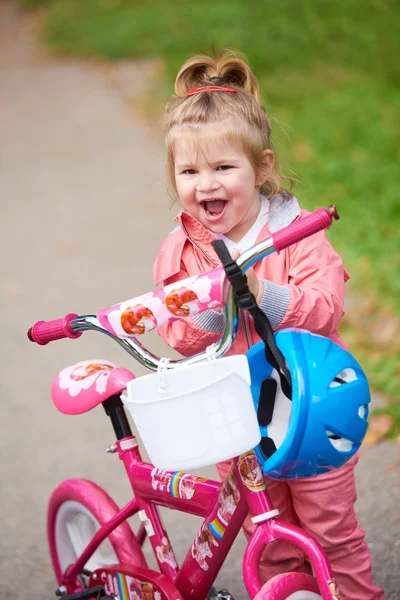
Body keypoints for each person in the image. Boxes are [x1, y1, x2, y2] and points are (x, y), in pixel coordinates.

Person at [153, 48, 384, 600]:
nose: (205, 183)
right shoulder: (183, 250)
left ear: (261, 167)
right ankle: (291, 590)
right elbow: (175, 330)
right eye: (189, 171)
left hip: (307, 406)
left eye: (223, 167)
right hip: (239, 418)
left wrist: (264, 296)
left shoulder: (297, 234)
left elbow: (325, 308)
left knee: (331, 528)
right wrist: (213, 308)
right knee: (268, 528)